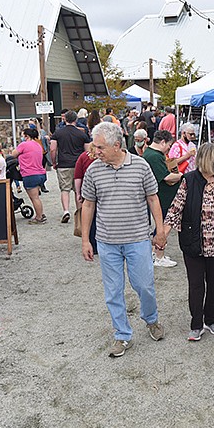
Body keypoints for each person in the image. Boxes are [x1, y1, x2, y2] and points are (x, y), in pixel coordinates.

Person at [80, 122, 166, 358]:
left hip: (137, 239)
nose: (95, 151)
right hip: (107, 242)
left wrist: (160, 230)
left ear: (117, 145)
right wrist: (85, 240)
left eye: (100, 147)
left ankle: (151, 319)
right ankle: (122, 334)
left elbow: (153, 199)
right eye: (94, 146)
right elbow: (88, 205)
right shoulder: (93, 170)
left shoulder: (140, 166)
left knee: (144, 286)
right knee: (113, 291)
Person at [158, 142, 214, 342]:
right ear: (208, 160)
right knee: (196, 285)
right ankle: (196, 323)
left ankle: (212, 319)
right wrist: (163, 234)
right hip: (195, 244)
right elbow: (176, 209)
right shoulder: (189, 180)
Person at [143, 130, 183, 268]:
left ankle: (156, 253)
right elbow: (166, 177)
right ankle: (159, 255)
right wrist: (181, 176)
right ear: (163, 142)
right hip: (162, 198)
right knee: (164, 226)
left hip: (161, 197)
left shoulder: (150, 153)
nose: (169, 149)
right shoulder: (154, 156)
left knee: (162, 225)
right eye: (169, 145)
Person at [50, 110, 90, 223]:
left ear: (65, 119)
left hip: (63, 164)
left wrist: (54, 162)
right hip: (78, 164)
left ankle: (66, 211)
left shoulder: (58, 133)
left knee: (65, 189)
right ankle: (79, 211)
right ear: (76, 120)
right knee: (78, 190)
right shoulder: (82, 134)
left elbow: (53, 149)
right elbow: (87, 151)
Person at [12, 128, 47, 225]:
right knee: (36, 197)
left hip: (30, 174)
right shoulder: (38, 145)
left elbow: (13, 154)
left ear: (26, 136)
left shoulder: (24, 145)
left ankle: (39, 217)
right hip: (41, 173)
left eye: (23, 135)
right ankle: (40, 214)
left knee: (34, 198)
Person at [74, 146, 98, 254]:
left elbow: (78, 177)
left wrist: (78, 193)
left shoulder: (83, 156)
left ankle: (92, 243)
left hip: (88, 190)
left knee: (90, 217)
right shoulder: (106, 157)